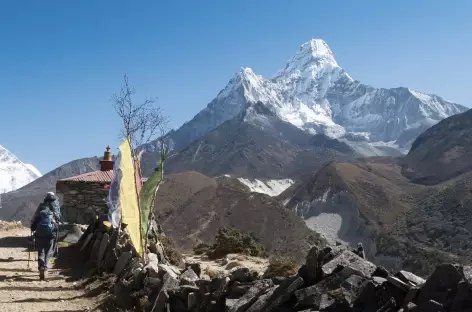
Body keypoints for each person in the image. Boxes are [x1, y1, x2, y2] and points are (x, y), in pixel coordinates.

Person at [30, 202, 58, 281]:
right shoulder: (51, 216)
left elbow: (33, 228)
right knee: (48, 252)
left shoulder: (39, 217)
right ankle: (45, 265)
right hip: (49, 238)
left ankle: (41, 266)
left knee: (41, 252)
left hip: (39, 238)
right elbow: (56, 228)